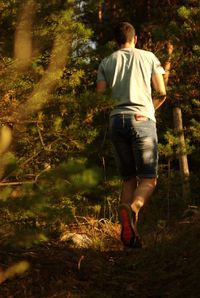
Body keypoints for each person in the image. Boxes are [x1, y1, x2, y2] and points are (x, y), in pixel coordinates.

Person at [96, 22, 166, 248]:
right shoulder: (148, 57)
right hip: (142, 119)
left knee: (128, 179)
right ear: (135, 39)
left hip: (117, 120)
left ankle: (130, 238)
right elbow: (161, 91)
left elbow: (100, 97)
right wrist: (148, 110)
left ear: (116, 41)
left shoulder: (106, 62)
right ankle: (133, 208)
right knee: (149, 178)